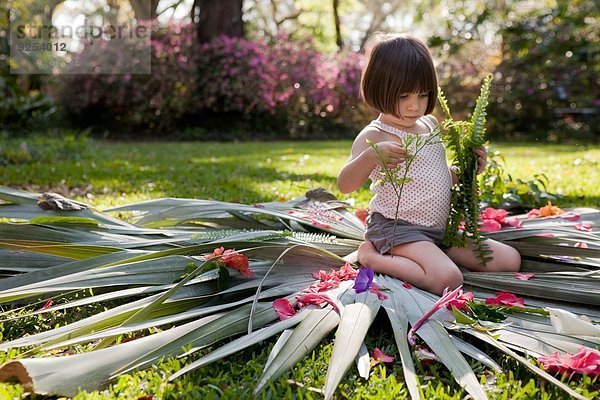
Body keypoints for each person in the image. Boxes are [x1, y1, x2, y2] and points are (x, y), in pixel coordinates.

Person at [337, 33, 521, 296]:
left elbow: (437, 176)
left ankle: (430, 255)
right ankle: (372, 257)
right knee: (448, 279)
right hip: (397, 229)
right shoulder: (375, 135)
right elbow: (345, 185)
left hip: (438, 229)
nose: (415, 106)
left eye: (423, 95)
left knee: (508, 259)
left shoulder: (429, 124)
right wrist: (370, 158)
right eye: (404, 96)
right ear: (380, 89)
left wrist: (466, 171)